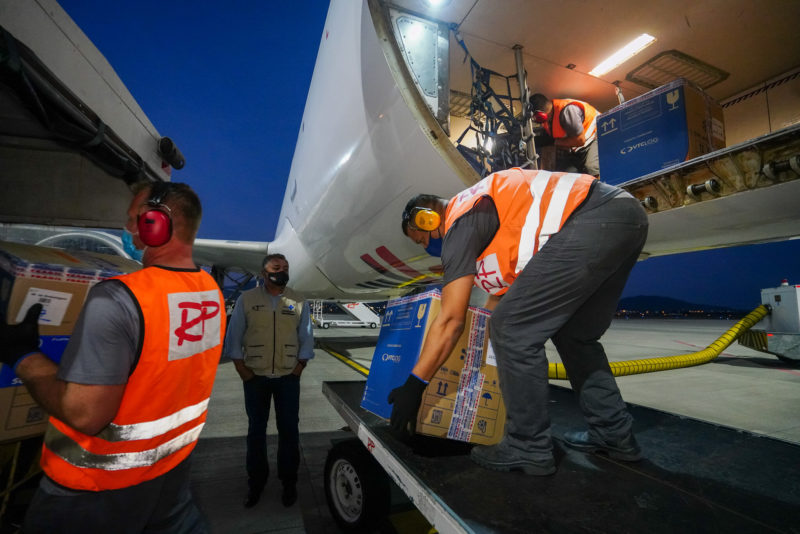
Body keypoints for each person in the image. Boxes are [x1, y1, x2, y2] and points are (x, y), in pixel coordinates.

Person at [391, 168, 648, 476]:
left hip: (590, 218)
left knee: (511, 329)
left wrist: (415, 384)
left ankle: (528, 446)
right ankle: (614, 434)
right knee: (575, 336)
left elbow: (450, 320)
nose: (425, 247)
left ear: (427, 219)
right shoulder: (492, 220)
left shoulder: (462, 219)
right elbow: (500, 302)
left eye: (421, 239)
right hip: (626, 217)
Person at [0, 181, 225, 532]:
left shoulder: (118, 298)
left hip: (93, 490)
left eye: (135, 219)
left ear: (157, 222)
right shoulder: (211, 294)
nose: (128, 230)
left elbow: (86, 414)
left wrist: (22, 355)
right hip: (171, 472)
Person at [223, 253, 314, 508]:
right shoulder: (247, 299)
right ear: (264, 273)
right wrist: (243, 370)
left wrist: (299, 367)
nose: (282, 271)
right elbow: (234, 337)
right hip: (256, 378)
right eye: (276, 267)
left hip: (288, 378)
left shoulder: (297, 301)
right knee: (256, 433)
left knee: (289, 432)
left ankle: (289, 482)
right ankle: (256, 482)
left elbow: (306, 338)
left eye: (285, 267)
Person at [529, 93, 600, 177]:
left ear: (540, 115)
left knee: (591, 167)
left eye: (534, 117)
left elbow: (580, 141)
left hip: (596, 137)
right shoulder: (548, 120)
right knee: (565, 176)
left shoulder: (568, 111)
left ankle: (605, 188)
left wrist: (554, 142)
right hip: (578, 150)